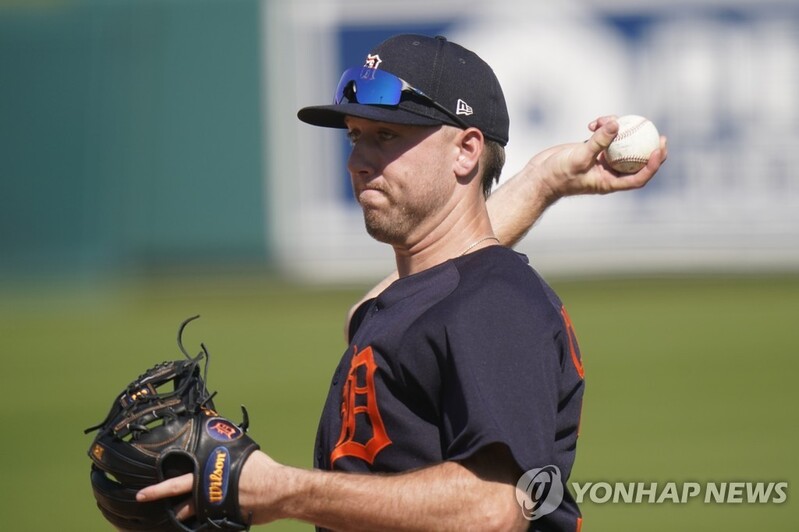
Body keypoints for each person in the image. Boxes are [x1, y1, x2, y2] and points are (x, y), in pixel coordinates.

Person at [138, 33, 667, 531]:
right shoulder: (418, 301)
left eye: (386, 136)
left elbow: (496, 507)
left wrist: (284, 491)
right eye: (355, 136)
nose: (357, 162)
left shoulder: (495, 302)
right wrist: (541, 181)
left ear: (466, 151)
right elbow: (381, 315)